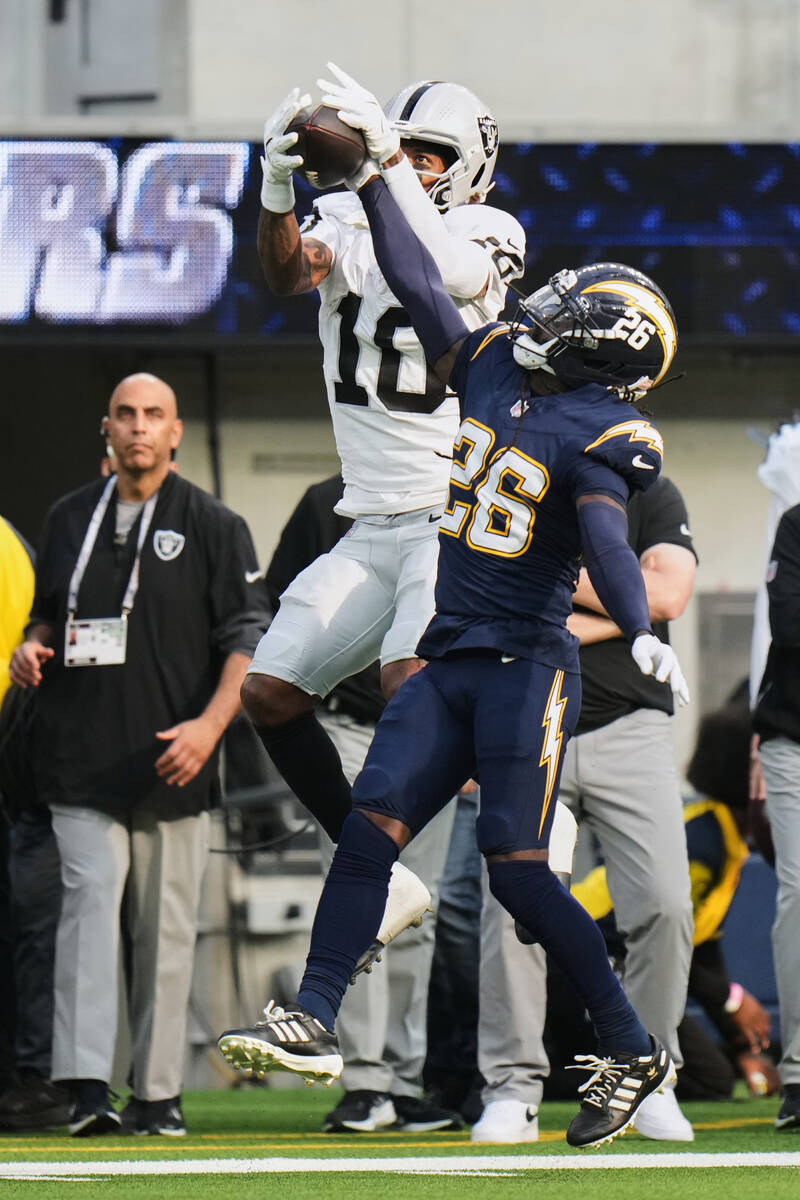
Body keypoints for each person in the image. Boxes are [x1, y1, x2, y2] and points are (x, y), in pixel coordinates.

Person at [218, 144, 690, 1149]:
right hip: (451, 653)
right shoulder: (492, 367)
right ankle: (313, 1014)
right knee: (367, 832)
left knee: (517, 870)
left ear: (601, 354)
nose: (542, 314)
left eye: (569, 316)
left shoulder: (603, 434)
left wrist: (642, 630)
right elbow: (418, 283)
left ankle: (630, 1043)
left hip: (527, 667)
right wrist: (377, 175)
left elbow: (608, 544)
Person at [240, 67, 527, 956]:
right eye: (408, 148)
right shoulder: (347, 215)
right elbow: (286, 273)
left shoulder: (488, 228)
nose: (417, 164)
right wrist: (277, 189)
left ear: (470, 165)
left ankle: (515, 813)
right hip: (369, 522)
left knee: (412, 681)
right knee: (270, 693)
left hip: (451, 513)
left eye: (432, 153)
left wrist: (382, 168)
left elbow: (440, 269)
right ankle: (385, 871)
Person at [10, 373, 270, 1138]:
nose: (138, 427)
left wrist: (209, 730)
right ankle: (88, 1089)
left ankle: (158, 1096)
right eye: (125, 415)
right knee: (87, 917)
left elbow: (248, 641)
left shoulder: (215, 525)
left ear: (175, 431)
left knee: (165, 931)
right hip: (80, 757)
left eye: (153, 415)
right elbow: (45, 618)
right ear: (108, 428)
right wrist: (32, 647)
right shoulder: (68, 518)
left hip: (173, 759)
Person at [470, 474, 697, 1143]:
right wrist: (626, 606)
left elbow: (668, 596)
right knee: (511, 909)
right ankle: (512, 1087)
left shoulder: (652, 493)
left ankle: (650, 1074)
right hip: (529, 718)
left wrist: (555, 583)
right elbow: (493, 599)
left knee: (665, 903)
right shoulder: (523, 481)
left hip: (632, 724)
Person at [264, 474, 460, 1133]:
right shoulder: (328, 498)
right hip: (353, 727)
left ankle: (402, 1079)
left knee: (419, 907)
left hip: (432, 730)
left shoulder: (460, 485)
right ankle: (365, 1079)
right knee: (363, 893)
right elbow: (282, 606)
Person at [753, 500, 800, 1130]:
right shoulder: (797, 524)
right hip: (794, 733)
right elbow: (790, 621)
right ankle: (799, 1072)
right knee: (799, 892)